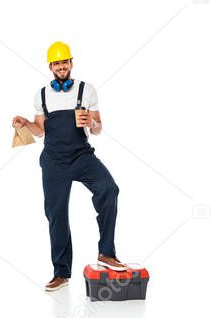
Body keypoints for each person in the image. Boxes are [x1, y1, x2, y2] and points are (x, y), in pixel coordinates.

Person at [12, 41, 127, 292]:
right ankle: (61, 272)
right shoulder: (42, 94)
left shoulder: (87, 90)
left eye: (65, 62)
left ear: (71, 63)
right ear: (51, 66)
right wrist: (24, 123)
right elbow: (40, 130)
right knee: (57, 215)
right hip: (54, 160)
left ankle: (106, 253)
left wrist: (91, 123)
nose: (61, 67)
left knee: (109, 189)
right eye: (57, 63)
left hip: (82, 156)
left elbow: (98, 129)